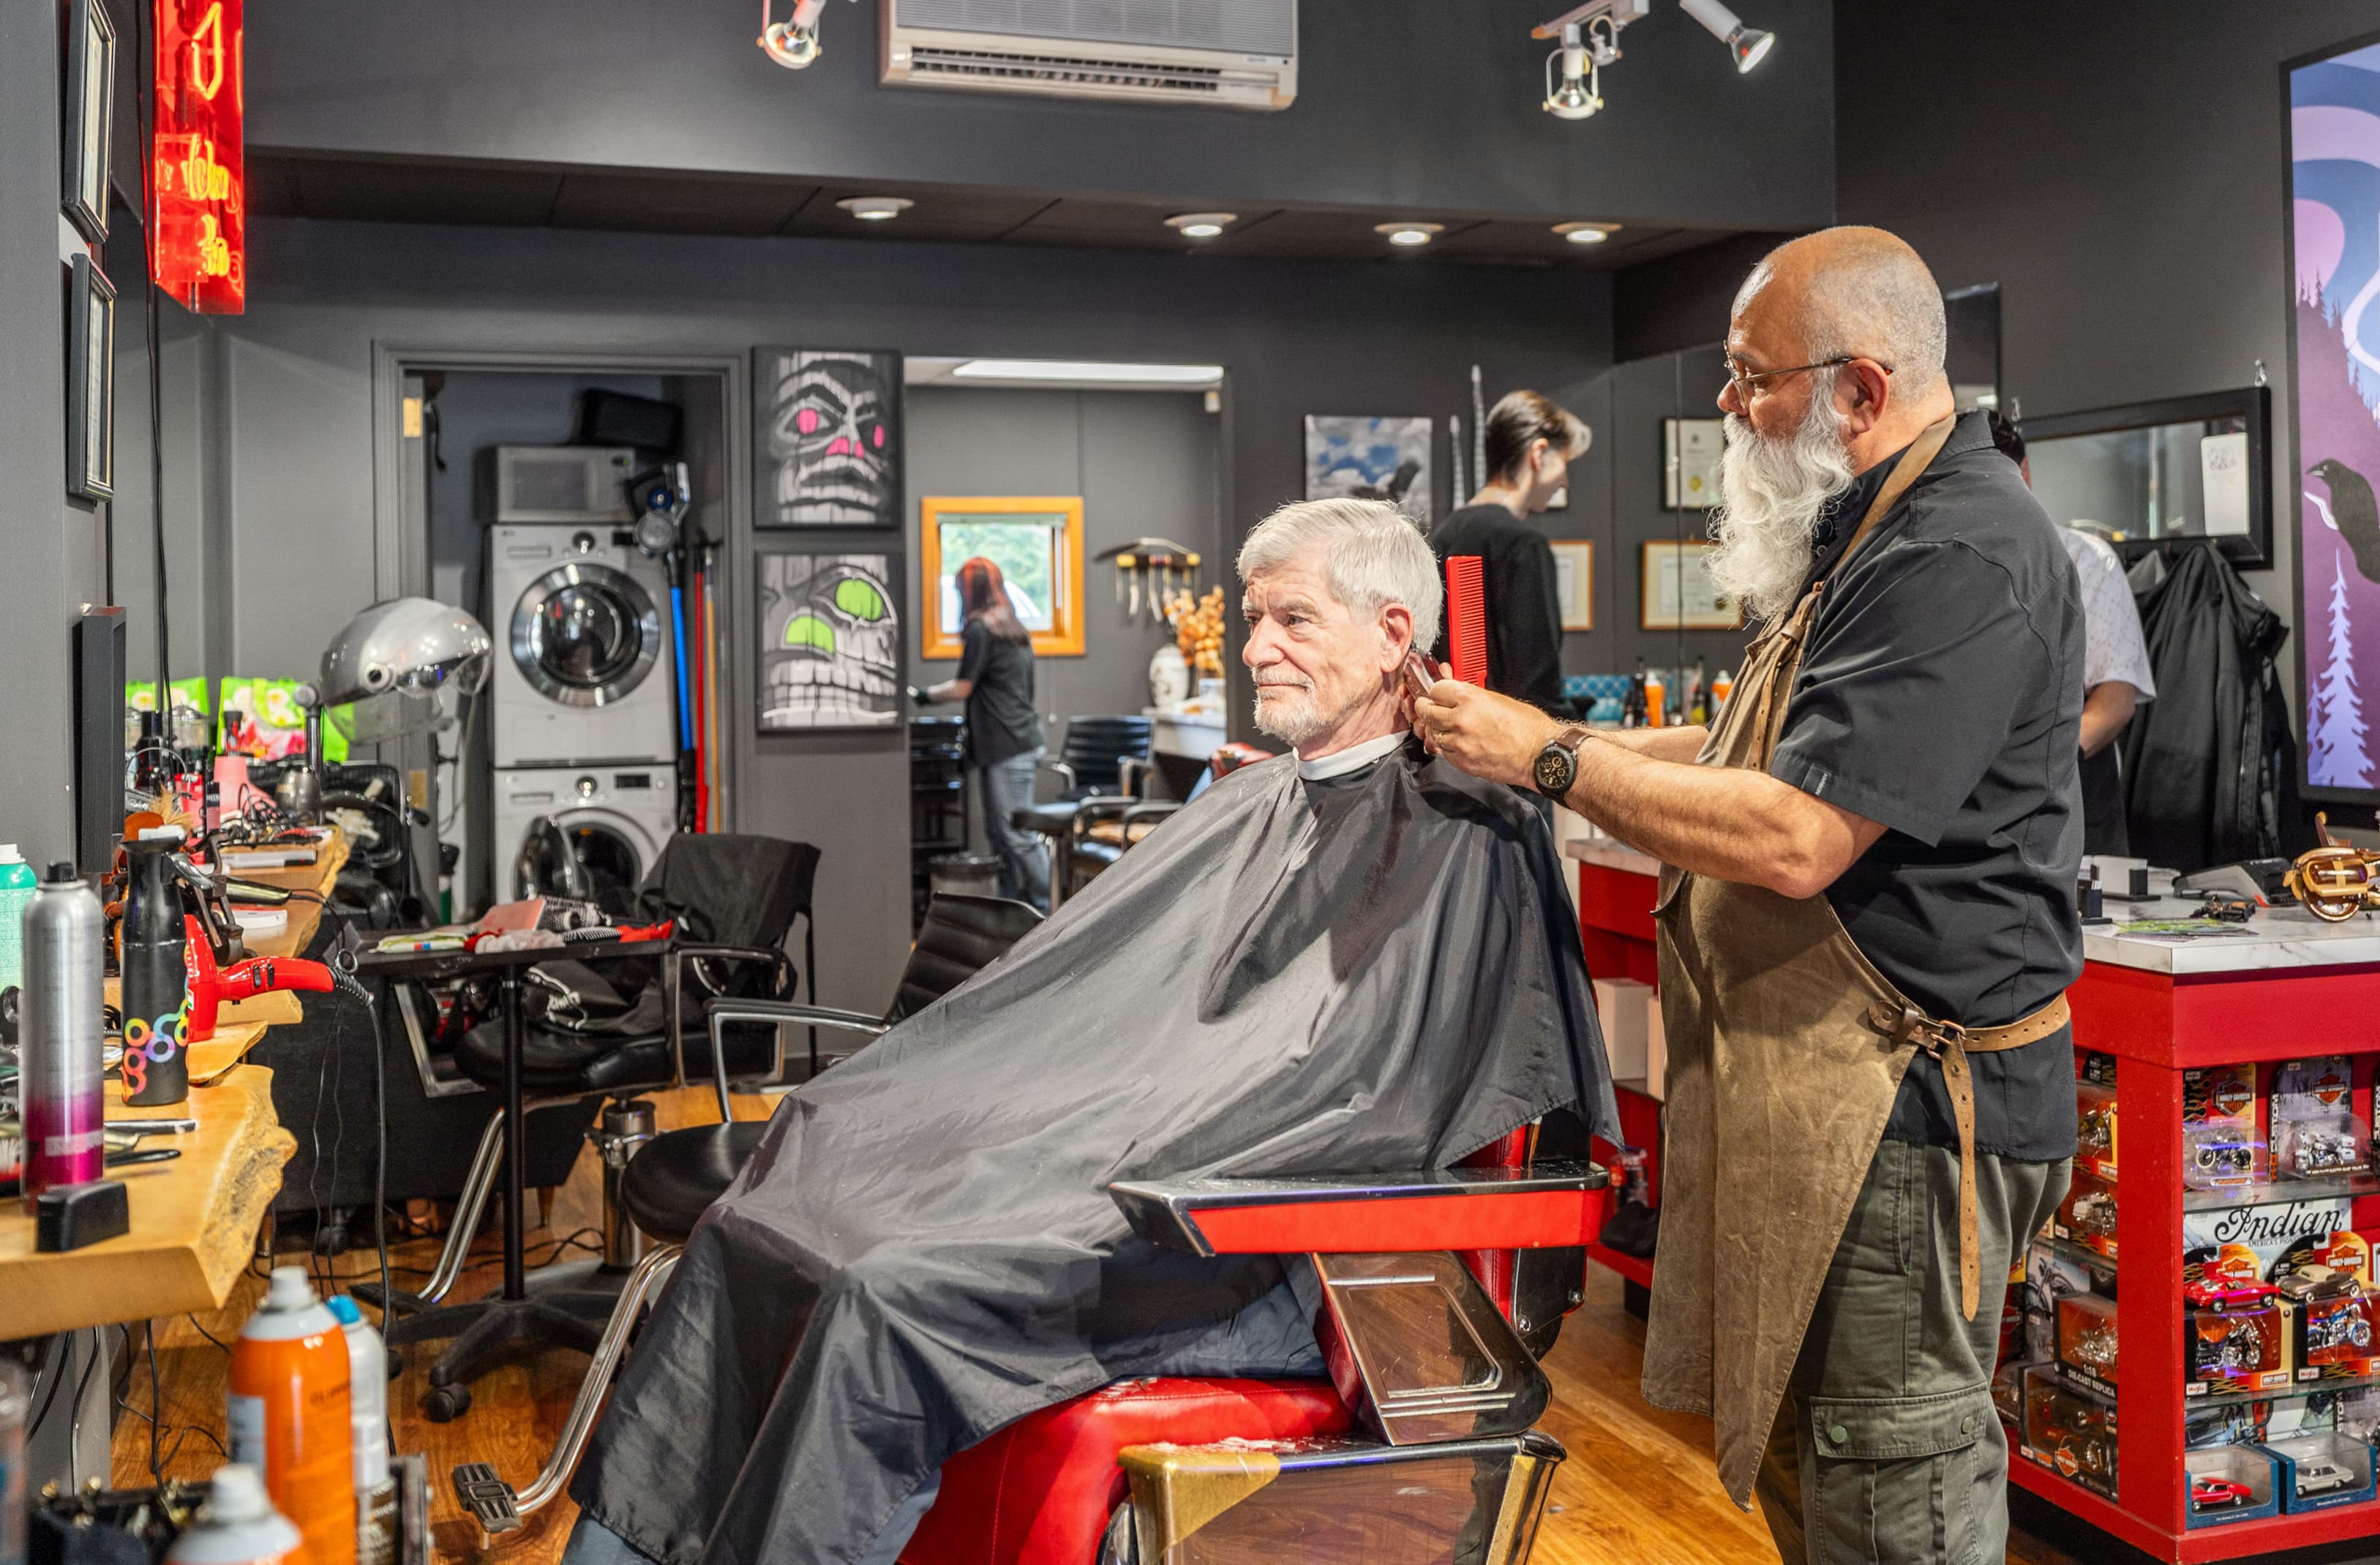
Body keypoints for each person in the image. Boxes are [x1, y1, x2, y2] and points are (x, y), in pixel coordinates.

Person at [566, 497, 1619, 1565]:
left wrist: (1126, 1144)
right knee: (767, 1212)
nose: (1258, 648)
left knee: (887, 1293)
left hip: (1244, 1245)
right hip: (1123, 1170)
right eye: (1255, 619)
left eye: (1293, 621)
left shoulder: (1471, 833)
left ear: (1396, 632)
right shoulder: (1253, 800)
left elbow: (1375, 1094)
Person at [1414, 227, 2083, 1565]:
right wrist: (1535, 733)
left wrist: (1548, 760)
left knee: (1892, 1489)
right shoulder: (1863, 530)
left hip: (1907, 1117)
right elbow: (1740, 754)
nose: (1727, 405)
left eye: (1750, 377)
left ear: (1863, 388)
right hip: (1832, 1105)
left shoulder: (1960, 552)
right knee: (1813, 1461)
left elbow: (1793, 835)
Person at [1990, 410, 2156, 856]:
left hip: (2072, 790)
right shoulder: (1950, 567)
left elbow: (2116, 700)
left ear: (2023, 472)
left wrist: (2032, 767)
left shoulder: (2086, 562)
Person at [1428, 391, 1589, 715]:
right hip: (1505, 745)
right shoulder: (1523, 545)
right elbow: (1536, 686)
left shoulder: (1442, 536)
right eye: (1565, 464)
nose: (1565, 481)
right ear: (1539, 453)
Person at [922, 557, 1049, 908]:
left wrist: (923, 696)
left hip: (1007, 746)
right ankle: (1011, 907)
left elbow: (963, 688)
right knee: (1001, 834)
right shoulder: (1012, 627)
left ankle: (1052, 908)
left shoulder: (981, 630)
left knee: (1015, 835)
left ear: (969, 592)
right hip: (1014, 742)